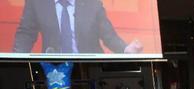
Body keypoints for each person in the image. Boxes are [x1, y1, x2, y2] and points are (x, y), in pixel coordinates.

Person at [13, 0, 143, 54]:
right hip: (54, 69)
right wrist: (16, 58)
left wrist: (125, 49)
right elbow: (26, 33)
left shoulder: (92, 3)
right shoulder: (37, 2)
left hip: (89, 67)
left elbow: (108, 35)